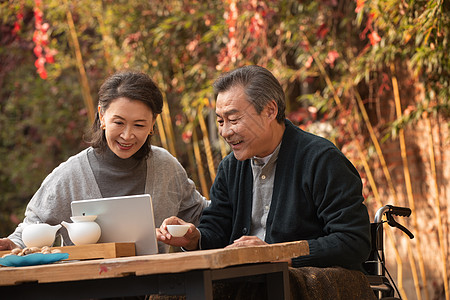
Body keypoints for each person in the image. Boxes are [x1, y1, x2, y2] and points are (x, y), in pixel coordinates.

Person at [157, 65, 371, 271]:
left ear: (270, 111)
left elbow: (353, 241)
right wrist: (195, 239)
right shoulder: (230, 168)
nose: (225, 132)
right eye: (221, 121)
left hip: (310, 281)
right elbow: (217, 231)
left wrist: (276, 255)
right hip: (251, 281)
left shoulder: (321, 160)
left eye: (233, 119)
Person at [0, 70, 208, 253]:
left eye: (139, 125)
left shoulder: (165, 167)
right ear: (102, 116)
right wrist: (14, 244)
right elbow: (32, 227)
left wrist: (192, 234)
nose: (127, 135)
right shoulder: (70, 175)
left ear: (152, 124)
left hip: (155, 289)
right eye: (119, 122)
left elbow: (204, 215)